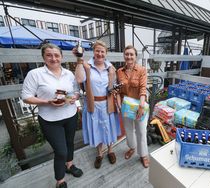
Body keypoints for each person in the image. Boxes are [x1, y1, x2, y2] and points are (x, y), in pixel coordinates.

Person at [21, 43, 83, 188]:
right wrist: (47, 102)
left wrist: (75, 97)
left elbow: (76, 90)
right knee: (60, 151)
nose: (53, 58)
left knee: (69, 143)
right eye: (49, 55)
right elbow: (26, 97)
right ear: (43, 57)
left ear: (61, 57)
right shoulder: (35, 74)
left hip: (70, 114)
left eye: (56, 55)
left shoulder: (68, 73)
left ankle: (69, 165)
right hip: (50, 119)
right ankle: (60, 180)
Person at [73, 40, 121, 169]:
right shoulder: (86, 66)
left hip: (108, 102)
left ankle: (110, 150)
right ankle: (99, 153)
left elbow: (114, 85)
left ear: (106, 53)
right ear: (93, 52)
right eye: (97, 51)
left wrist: (115, 88)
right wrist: (79, 60)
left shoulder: (111, 69)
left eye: (102, 51)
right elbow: (78, 79)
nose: (100, 54)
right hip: (93, 104)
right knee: (98, 128)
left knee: (109, 128)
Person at [117, 45, 150, 168]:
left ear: (135, 56)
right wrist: (119, 105)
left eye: (131, 54)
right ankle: (132, 147)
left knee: (141, 131)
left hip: (139, 105)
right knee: (129, 130)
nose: (129, 56)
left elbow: (142, 89)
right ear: (124, 56)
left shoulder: (142, 70)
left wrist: (141, 106)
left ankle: (143, 154)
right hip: (126, 107)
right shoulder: (119, 72)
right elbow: (119, 91)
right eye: (127, 54)